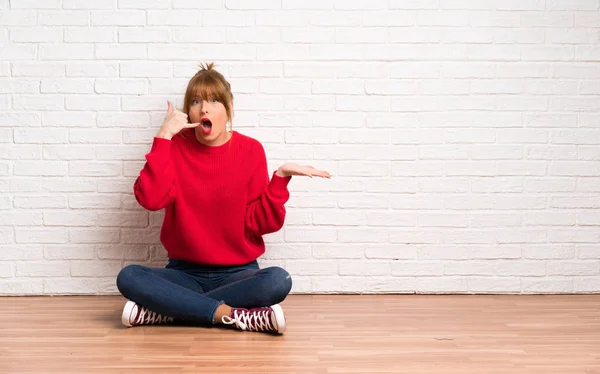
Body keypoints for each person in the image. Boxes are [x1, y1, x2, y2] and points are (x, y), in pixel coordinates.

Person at [115, 62, 330, 335]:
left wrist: (280, 178)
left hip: (238, 274)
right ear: (188, 111)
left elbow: (259, 223)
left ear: (228, 108)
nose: (204, 108)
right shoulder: (175, 147)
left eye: (214, 100)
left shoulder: (250, 150)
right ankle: (233, 315)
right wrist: (164, 135)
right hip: (183, 274)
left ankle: (170, 311)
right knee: (129, 277)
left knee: (278, 280)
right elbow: (150, 199)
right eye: (196, 101)